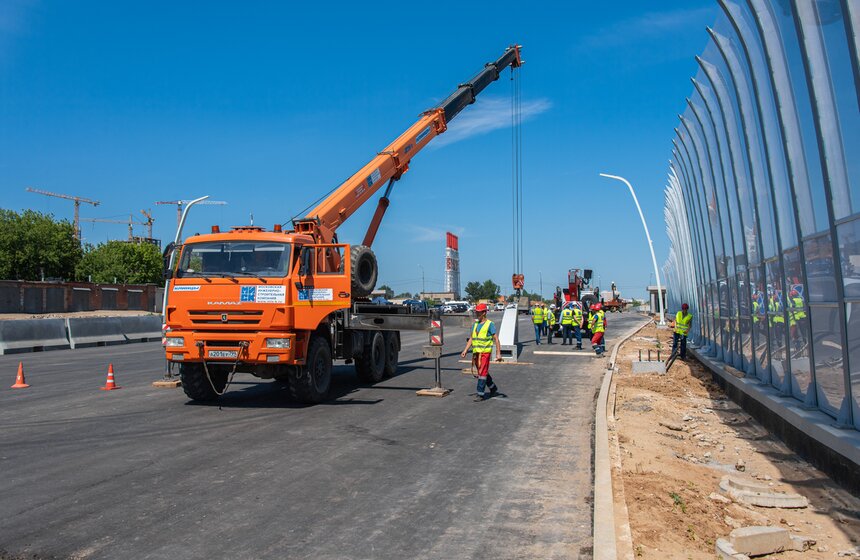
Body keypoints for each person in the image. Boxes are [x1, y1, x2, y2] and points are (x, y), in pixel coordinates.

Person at [461, 303, 503, 402]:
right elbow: (471, 338)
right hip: (476, 353)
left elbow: (496, 339)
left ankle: (480, 393)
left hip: (485, 353)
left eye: (479, 313)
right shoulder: (475, 324)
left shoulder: (490, 324)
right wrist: (465, 350)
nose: (477, 315)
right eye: (476, 313)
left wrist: (498, 353)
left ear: (484, 313)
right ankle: (493, 387)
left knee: (482, 373)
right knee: (482, 372)